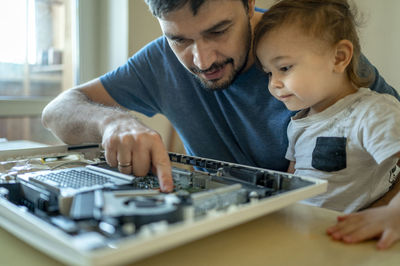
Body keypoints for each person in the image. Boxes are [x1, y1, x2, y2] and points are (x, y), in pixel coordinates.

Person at [41, 0, 398, 196]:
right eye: (179, 39)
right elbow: (57, 111)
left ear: (249, 5)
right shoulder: (159, 61)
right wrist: (112, 121)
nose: (202, 60)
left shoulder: (308, 52)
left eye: (219, 31)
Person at [253, 0, 400, 248]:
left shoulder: (372, 113)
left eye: (284, 67)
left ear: (339, 58)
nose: (274, 83)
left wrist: (395, 215)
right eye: (269, 72)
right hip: (303, 235)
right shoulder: (299, 122)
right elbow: (292, 180)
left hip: (350, 241)